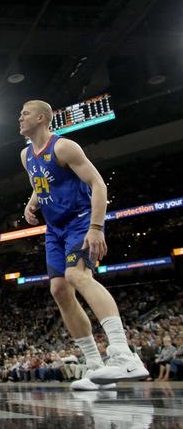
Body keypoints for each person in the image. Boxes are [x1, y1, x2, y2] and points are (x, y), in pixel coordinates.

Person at [18, 100, 148, 390]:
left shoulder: (64, 147)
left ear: (41, 118)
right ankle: (94, 365)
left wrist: (96, 227)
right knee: (59, 289)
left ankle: (123, 354)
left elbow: (99, 184)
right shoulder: (26, 155)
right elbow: (40, 184)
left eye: (25, 113)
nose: (20, 118)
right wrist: (32, 202)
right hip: (54, 228)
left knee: (77, 276)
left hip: (80, 219)